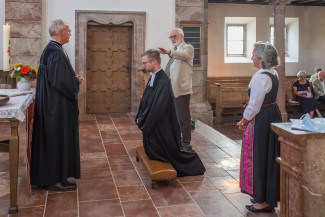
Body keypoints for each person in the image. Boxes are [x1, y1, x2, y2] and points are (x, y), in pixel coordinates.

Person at [31, 19, 84, 191]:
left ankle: (51, 176)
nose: (69, 33)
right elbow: (61, 82)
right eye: (68, 31)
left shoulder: (52, 49)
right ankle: (56, 180)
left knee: (53, 141)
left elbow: (56, 77)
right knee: (57, 140)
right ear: (60, 32)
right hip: (57, 106)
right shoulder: (56, 52)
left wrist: (71, 78)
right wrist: (76, 81)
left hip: (51, 103)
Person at [135, 49, 205, 177]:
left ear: (154, 62)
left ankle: (193, 163)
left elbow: (157, 107)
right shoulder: (154, 77)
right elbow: (146, 99)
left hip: (162, 124)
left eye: (145, 63)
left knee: (170, 154)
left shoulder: (163, 80)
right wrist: (141, 115)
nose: (143, 66)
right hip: (155, 122)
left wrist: (145, 120)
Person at [237, 42, 281, 212]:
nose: (252, 56)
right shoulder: (272, 73)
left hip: (261, 119)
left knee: (259, 156)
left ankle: (262, 200)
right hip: (271, 115)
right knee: (269, 156)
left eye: (254, 53)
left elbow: (254, 105)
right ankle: (266, 197)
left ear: (261, 58)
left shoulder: (261, 77)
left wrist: (243, 121)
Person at [158, 28, 194, 152]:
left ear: (181, 36)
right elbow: (170, 70)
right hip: (171, 89)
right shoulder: (173, 50)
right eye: (171, 37)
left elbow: (183, 56)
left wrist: (169, 52)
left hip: (181, 90)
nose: (172, 39)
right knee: (173, 117)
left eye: (174, 36)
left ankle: (186, 143)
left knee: (183, 118)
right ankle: (176, 139)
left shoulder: (188, 48)